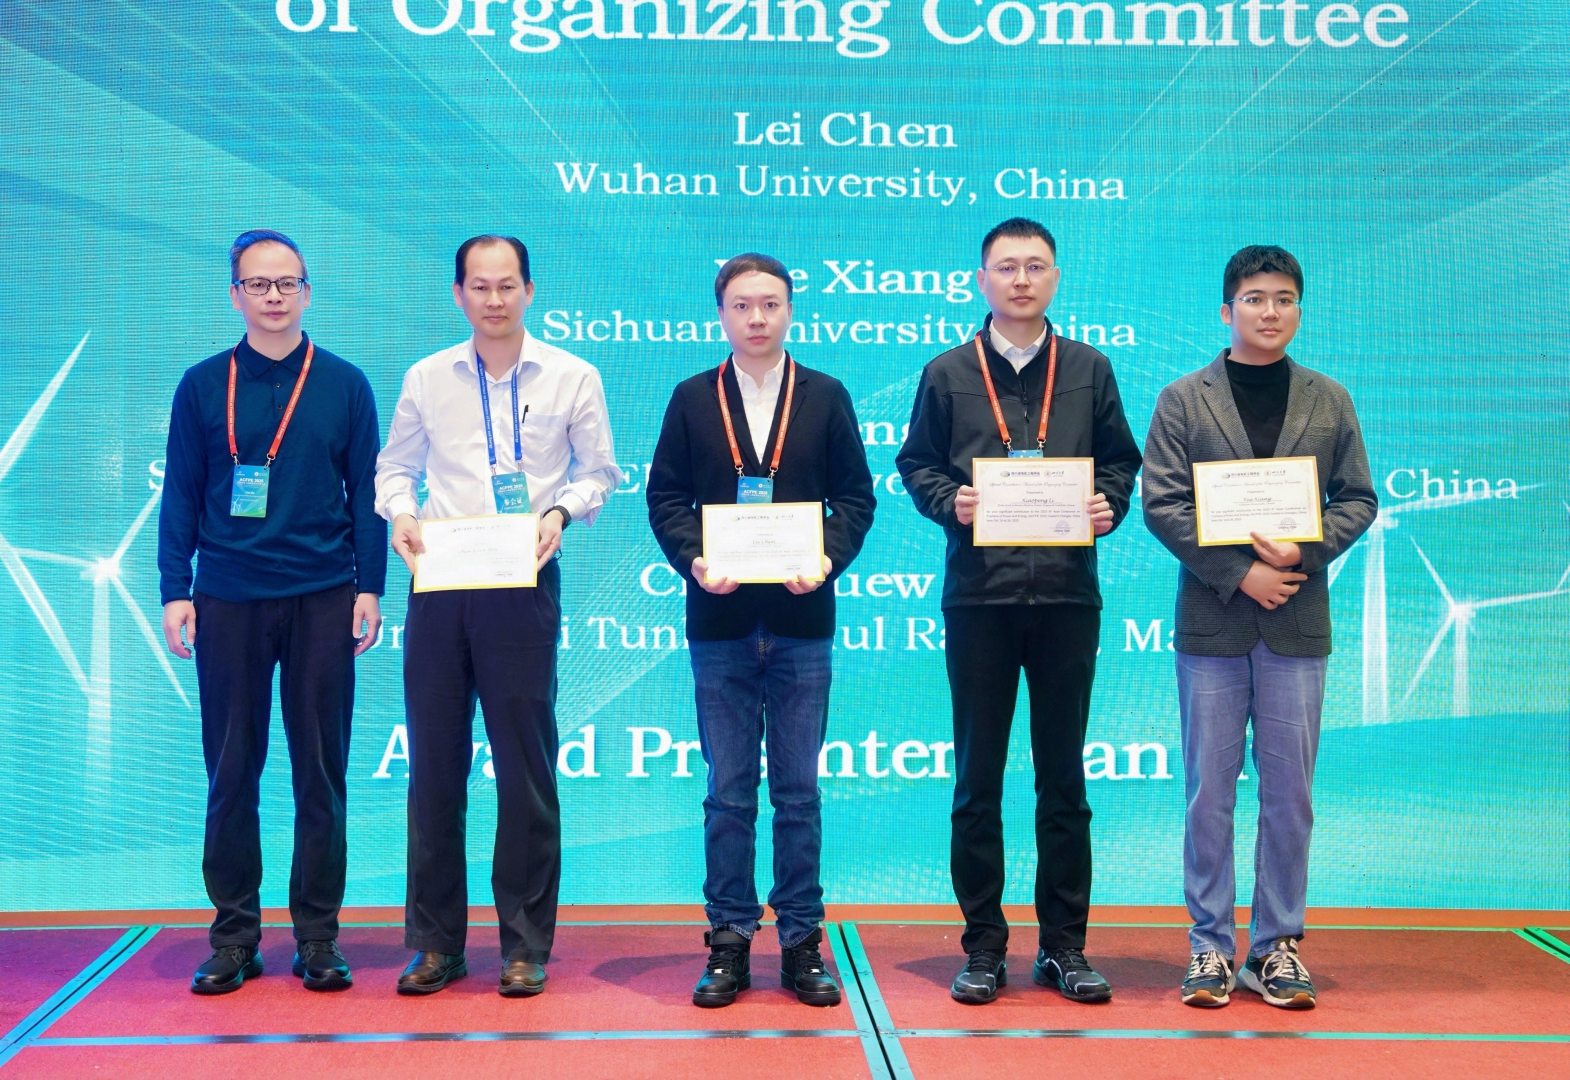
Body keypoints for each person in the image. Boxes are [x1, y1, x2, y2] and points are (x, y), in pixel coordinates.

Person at [895, 218, 1140, 1005]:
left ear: (1056, 277)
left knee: (1064, 781)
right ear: (982, 279)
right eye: (1007, 267)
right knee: (977, 780)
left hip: (1068, 597)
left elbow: (1121, 462)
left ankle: (1065, 947)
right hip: (981, 599)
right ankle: (984, 947)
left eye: (1036, 266)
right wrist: (950, 500)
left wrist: (1111, 503)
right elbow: (916, 463)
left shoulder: (1091, 368)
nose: (1022, 280)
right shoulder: (948, 372)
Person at [375, 234, 621, 997]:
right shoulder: (427, 377)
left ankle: (524, 945)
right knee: (436, 770)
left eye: (507, 285)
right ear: (458, 294)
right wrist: (398, 514)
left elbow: (600, 472)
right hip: (440, 585)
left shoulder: (574, 375)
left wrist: (560, 511)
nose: (493, 299)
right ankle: (436, 943)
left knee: (524, 771)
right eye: (479, 287)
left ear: (529, 289)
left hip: (524, 579)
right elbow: (395, 467)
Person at [1142, 245, 1376, 1009]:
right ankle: (1209, 947)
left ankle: (1275, 948)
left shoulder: (1329, 398)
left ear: (1298, 310)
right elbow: (1163, 504)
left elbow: (1358, 499)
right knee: (1209, 790)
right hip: (1213, 623)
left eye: (1282, 299)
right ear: (1226, 310)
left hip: (1298, 622)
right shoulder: (1184, 398)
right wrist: (1240, 572)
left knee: (1289, 793)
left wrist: (1304, 551)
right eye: (1253, 299)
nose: (1268, 311)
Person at [159, 229, 386, 995]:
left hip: (324, 595)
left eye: (288, 283)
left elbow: (369, 497)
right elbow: (182, 496)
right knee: (231, 773)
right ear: (235, 296)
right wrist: (173, 589)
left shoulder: (346, 384)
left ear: (308, 292)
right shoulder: (200, 385)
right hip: (227, 598)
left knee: (320, 774)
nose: (275, 296)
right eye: (259, 285)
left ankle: (318, 937)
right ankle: (234, 937)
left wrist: (370, 585)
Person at [647, 254, 875, 1007]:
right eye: (742, 305)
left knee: (800, 791)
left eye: (770, 304)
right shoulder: (690, 398)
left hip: (803, 618)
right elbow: (667, 499)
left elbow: (855, 498)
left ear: (789, 311)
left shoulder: (826, 395)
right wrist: (695, 559)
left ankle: (803, 942)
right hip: (720, 620)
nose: (756, 318)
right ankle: (729, 941)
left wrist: (827, 559)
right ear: (722, 314)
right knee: (729, 792)